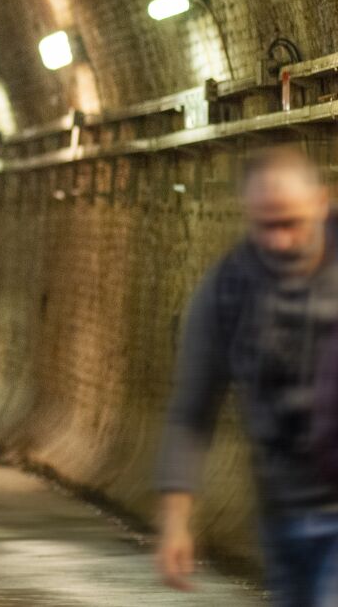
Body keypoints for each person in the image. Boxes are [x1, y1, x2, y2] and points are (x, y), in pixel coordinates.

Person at [155, 145, 338, 606]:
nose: (278, 240)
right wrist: (176, 521)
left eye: (290, 222)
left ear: (322, 203)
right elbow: (191, 412)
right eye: (264, 225)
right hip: (281, 515)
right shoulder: (228, 290)